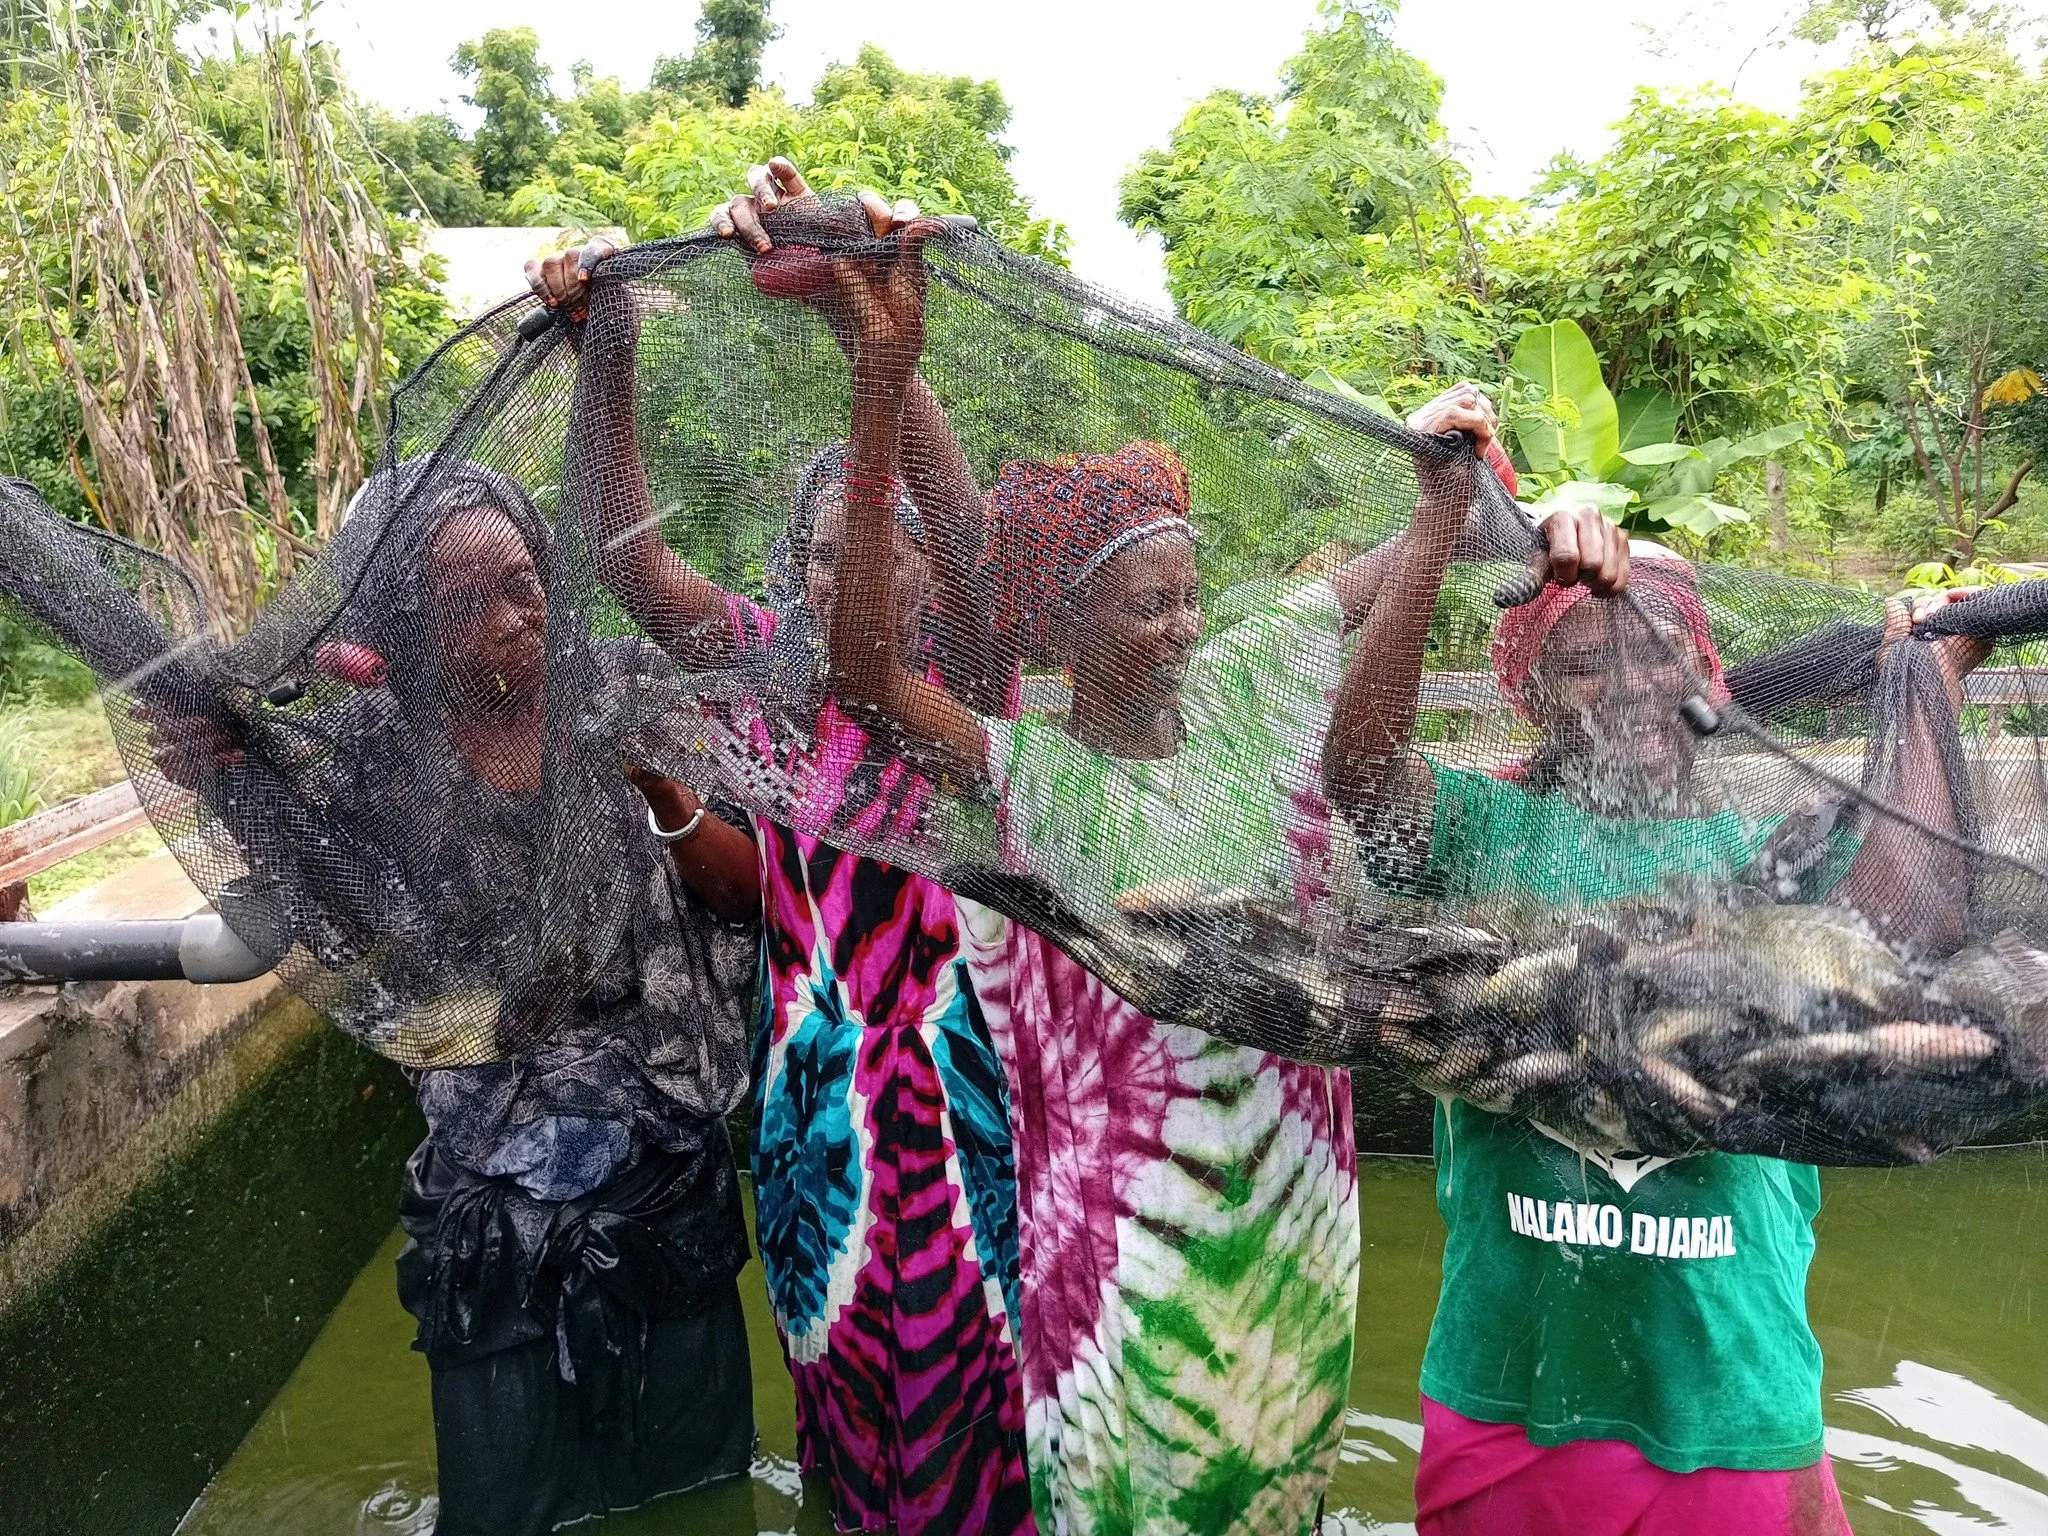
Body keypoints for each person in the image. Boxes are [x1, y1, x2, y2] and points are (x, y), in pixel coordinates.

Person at [724, 164, 1505, 1536]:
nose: (1190, 626)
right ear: (1065, 632)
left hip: (1297, 1219)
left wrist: (1439, 464)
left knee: (1282, 1497)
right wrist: (878, 369)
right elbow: (864, 673)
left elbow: (1390, 562)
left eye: (1193, 593)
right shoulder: (1022, 771)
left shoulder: (1253, 686)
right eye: (1152, 607)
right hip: (1124, 1251)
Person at [1319, 414, 1989, 1536]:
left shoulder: (1776, 855)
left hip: (1728, 1390)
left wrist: (1929, 678)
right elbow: (1356, 768)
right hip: (1507, 1390)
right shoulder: (1485, 829)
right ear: (1528, 693)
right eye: (1580, 660)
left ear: (1706, 675)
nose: (1626, 684)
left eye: (1655, 651)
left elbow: (1912, 917)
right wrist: (1440, 511)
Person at [528, 198, 1038, 1535]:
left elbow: (981, 549)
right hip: (812, 1101)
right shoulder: (769, 681)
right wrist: (607, 354)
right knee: (839, 1391)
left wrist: (879, 347)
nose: (840, 580)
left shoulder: (970, 696)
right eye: (816, 559)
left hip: (953, 1092)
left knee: (969, 1394)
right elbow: (629, 565)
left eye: (874, 554)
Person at [152, 463, 762, 1536]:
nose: (512, 620)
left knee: (691, 1488)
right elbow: (332, 910)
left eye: (523, 584)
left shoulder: (628, 688)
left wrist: (654, 781)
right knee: (505, 1499)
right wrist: (227, 778)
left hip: (663, 1159)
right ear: (405, 626)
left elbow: (744, 890)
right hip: (488, 1180)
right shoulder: (368, 755)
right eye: (463, 605)